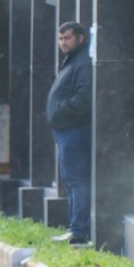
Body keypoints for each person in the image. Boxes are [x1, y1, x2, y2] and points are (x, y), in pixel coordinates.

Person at [46, 21, 92, 246]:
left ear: (80, 38)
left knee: (77, 180)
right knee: (72, 180)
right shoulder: (72, 61)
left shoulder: (82, 62)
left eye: (68, 38)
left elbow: (85, 98)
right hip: (66, 131)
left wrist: (60, 111)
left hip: (75, 131)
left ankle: (79, 231)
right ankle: (76, 228)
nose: (63, 43)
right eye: (61, 38)